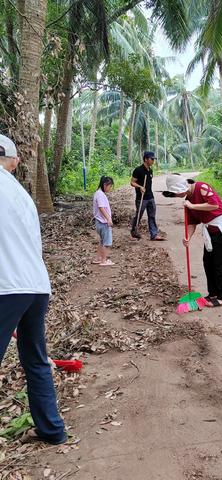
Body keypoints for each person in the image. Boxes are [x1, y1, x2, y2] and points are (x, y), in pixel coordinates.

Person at [0, 134, 67, 445]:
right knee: (36, 359)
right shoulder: (21, 195)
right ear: (12, 162)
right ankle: (52, 430)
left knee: (35, 358)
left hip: (7, 287)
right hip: (36, 286)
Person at [163, 175, 222, 307]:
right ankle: (213, 293)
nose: (177, 196)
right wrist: (188, 237)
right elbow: (192, 223)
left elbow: (213, 205)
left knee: (221, 263)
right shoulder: (188, 202)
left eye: (177, 193)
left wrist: (193, 206)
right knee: (208, 262)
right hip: (210, 231)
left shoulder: (202, 187)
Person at [130, 151, 165, 241]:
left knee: (152, 216)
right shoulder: (138, 170)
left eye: (153, 159)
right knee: (139, 215)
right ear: (146, 159)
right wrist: (140, 187)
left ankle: (154, 234)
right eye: (151, 159)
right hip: (141, 198)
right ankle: (134, 232)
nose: (153, 161)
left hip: (150, 197)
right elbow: (132, 182)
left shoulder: (150, 170)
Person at [92, 176, 115, 266]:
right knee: (107, 242)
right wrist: (108, 219)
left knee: (102, 241)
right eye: (110, 186)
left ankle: (98, 258)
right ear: (105, 185)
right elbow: (101, 208)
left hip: (99, 222)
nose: (110, 188)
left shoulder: (97, 193)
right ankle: (104, 260)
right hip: (103, 222)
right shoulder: (100, 194)